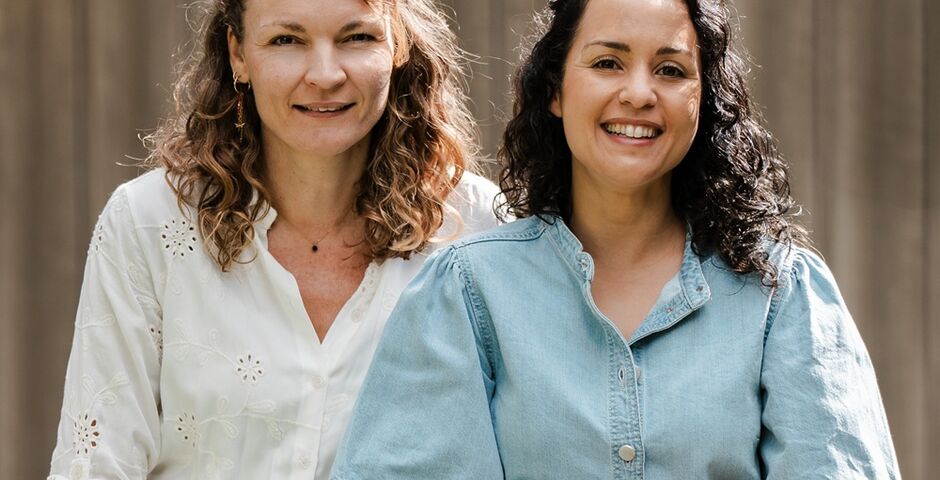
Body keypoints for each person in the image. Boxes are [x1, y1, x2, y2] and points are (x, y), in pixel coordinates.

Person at [330, 0, 901, 478]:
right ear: (554, 91)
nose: (639, 93)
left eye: (672, 70)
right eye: (607, 62)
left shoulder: (782, 293)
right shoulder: (466, 292)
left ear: (704, 101)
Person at [47, 0, 501, 478]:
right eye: (287, 39)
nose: (325, 75)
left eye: (357, 37)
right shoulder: (147, 225)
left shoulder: (480, 230)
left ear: (399, 46)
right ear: (238, 54)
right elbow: (97, 466)